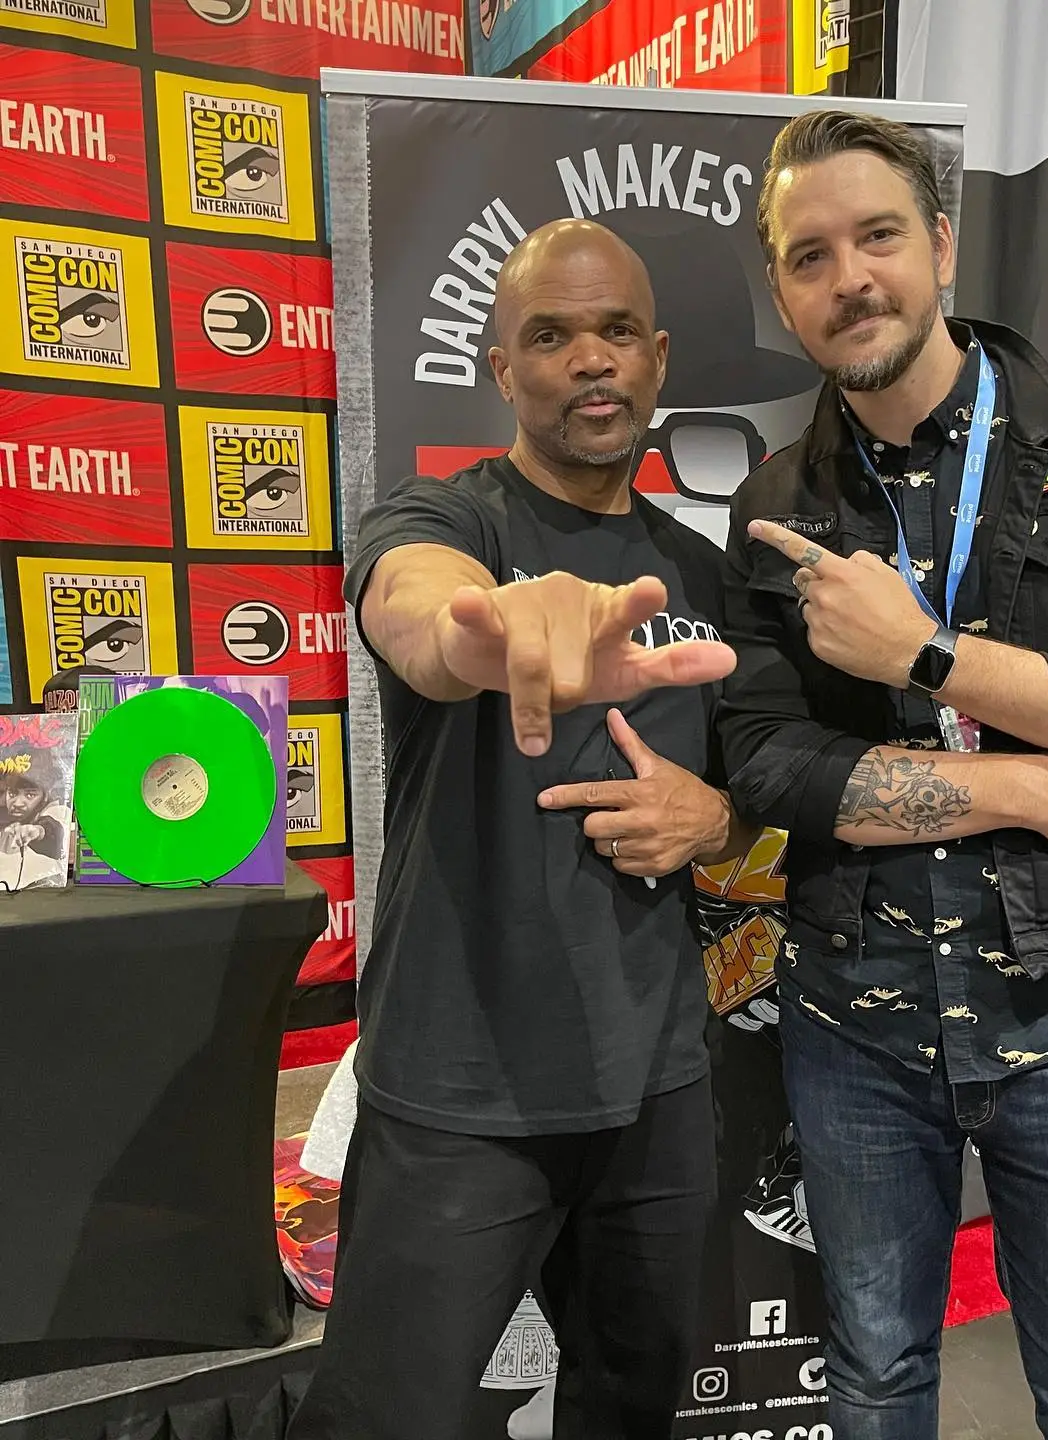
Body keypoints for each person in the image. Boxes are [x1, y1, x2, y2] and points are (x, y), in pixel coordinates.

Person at [716, 110, 1048, 1440]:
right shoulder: (779, 501)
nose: (852, 278)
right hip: (855, 1034)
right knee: (876, 1382)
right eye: (810, 255)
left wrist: (929, 655)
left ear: (940, 243)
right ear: (782, 291)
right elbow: (770, 766)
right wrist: (1038, 791)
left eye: (878, 235)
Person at [287, 219, 751, 1440]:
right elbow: (418, 617)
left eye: (613, 334)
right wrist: (483, 632)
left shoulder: (695, 573)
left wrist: (711, 818)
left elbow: (757, 785)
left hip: (653, 1087)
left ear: (656, 358)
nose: (587, 361)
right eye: (548, 336)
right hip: (458, 1095)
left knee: (628, 1413)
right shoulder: (440, 522)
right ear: (503, 370)